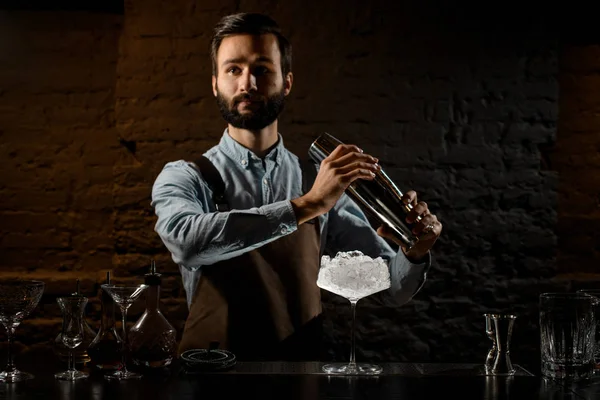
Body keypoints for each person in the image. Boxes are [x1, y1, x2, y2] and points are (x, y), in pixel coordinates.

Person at [151, 12, 442, 361]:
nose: (248, 83)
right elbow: (187, 243)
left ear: (286, 82)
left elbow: (390, 288)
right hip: (210, 376)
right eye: (233, 69)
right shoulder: (186, 176)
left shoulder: (317, 182)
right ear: (215, 83)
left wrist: (414, 252)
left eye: (262, 69)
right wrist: (309, 205)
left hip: (300, 376)